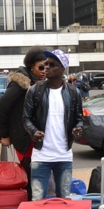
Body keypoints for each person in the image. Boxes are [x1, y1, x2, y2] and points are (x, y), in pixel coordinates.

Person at [23, 49, 83, 200]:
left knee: (63, 199)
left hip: (64, 154)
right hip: (41, 154)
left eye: (52, 65)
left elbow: (79, 118)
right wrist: (33, 131)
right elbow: (26, 118)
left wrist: (78, 128)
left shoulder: (73, 92)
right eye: (45, 64)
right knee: (37, 200)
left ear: (62, 69)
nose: (47, 68)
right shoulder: (35, 90)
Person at [0, 47, 47, 199]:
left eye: (47, 66)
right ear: (32, 66)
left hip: (33, 136)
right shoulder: (21, 84)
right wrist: (4, 135)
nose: (44, 70)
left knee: (36, 177)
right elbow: (0, 107)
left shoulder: (39, 82)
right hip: (24, 137)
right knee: (31, 178)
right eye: (41, 67)